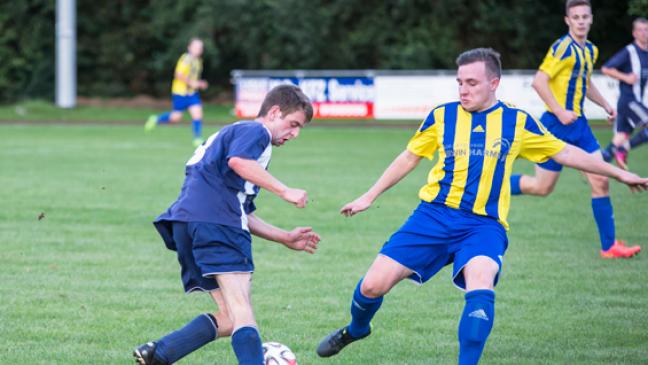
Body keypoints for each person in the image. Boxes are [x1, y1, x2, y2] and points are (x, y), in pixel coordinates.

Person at [315, 48, 648, 365]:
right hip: (432, 216)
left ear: (493, 83)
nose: (463, 89)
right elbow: (409, 157)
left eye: (471, 83)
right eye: (459, 82)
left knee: (481, 281)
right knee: (372, 285)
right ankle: (357, 329)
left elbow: (565, 153)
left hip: (484, 224)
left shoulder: (516, 122)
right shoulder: (442, 116)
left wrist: (620, 173)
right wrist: (368, 196)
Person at [134, 84, 320, 365]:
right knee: (243, 312)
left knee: (232, 318)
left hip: (187, 224)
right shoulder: (256, 132)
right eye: (293, 124)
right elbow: (239, 162)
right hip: (217, 225)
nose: (294, 134)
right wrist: (285, 190)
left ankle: (159, 353)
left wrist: (283, 237)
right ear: (274, 112)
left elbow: (241, 210)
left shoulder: (232, 134)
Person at [509, 0, 641, 258]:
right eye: (576, 17)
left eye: (585, 17)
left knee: (600, 180)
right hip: (556, 126)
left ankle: (609, 247)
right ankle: (495, 184)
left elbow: (585, 81)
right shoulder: (562, 48)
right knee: (542, 187)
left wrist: (605, 104)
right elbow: (539, 82)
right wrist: (559, 111)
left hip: (579, 127)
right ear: (568, 21)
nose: (581, 21)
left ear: (591, 19)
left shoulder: (590, 50)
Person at [601, 17, 648, 169]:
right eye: (640, 30)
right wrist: (625, 77)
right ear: (634, 33)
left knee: (618, 139)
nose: (644, 33)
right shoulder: (630, 51)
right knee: (622, 144)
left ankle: (592, 165)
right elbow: (606, 68)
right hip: (629, 101)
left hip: (630, 102)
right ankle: (623, 150)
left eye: (646, 29)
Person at [145, 38, 209, 147]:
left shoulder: (198, 61)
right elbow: (178, 74)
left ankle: (197, 138)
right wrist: (192, 83)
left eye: (200, 48)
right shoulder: (186, 59)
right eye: (196, 47)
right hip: (180, 92)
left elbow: (193, 77)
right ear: (189, 48)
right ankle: (156, 119)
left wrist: (199, 83)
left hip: (192, 94)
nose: (198, 50)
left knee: (197, 114)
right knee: (176, 117)